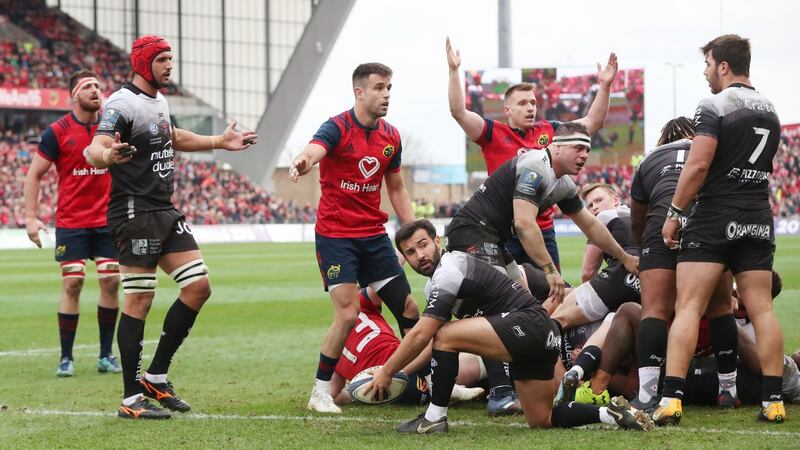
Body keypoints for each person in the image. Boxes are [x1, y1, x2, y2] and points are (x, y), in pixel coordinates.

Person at [84, 35, 257, 419]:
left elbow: (173, 137)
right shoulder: (120, 103)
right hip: (134, 212)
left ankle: (156, 377)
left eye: (170, 59)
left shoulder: (158, 101)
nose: (169, 66)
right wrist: (107, 155)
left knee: (198, 287)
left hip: (163, 209)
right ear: (143, 63)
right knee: (139, 300)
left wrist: (219, 141)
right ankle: (131, 400)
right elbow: (94, 148)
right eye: (162, 59)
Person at [364, 220, 653, 433]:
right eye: (411, 252)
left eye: (423, 245)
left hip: (527, 326)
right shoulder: (436, 285)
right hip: (538, 335)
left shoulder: (449, 270)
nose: (420, 255)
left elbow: (429, 334)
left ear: (438, 241)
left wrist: (387, 372)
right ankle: (610, 414)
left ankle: (434, 417)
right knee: (542, 419)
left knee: (443, 334)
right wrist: (398, 371)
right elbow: (435, 346)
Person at [658, 34, 785, 424]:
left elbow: (697, 165)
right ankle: (773, 401)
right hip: (757, 215)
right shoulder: (770, 109)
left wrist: (675, 211)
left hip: (714, 215)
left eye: (708, 63)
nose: (705, 71)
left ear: (723, 65)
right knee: (761, 309)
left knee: (689, 307)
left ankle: (671, 400)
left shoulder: (713, 105)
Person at [289, 62, 419, 414]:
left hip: (374, 237)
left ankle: (424, 378)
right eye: (379, 87)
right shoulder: (337, 127)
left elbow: (397, 188)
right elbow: (315, 149)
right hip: (336, 236)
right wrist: (303, 161)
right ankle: (320, 393)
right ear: (359, 92)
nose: (386, 94)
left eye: (389, 87)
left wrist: (415, 233)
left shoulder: (391, 136)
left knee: (409, 308)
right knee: (347, 314)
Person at [446, 37, 619, 270]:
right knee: (512, 294)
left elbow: (593, 121)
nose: (530, 107)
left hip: (543, 229)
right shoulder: (492, 133)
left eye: (533, 102)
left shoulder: (552, 130)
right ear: (507, 109)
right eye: (523, 103)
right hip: (506, 230)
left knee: (554, 294)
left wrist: (605, 86)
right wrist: (454, 70)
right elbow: (458, 112)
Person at [445, 122, 639, 309]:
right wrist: (550, 270)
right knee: (504, 305)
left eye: (587, 150)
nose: (584, 155)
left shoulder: (564, 184)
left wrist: (624, 257)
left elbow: (591, 225)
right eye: (578, 148)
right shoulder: (535, 167)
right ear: (556, 148)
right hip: (471, 233)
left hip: (493, 240)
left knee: (526, 306)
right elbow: (524, 224)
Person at [627, 117, 745, 412]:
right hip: (709, 226)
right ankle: (727, 390)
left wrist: (646, 250)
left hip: (658, 226)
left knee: (654, 311)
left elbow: (637, 217)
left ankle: (647, 394)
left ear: (663, 138)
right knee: (720, 308)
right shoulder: (712, 150)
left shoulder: (649, 160)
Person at [23, 69, 122, 377]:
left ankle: (106, 355)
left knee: (110, 280)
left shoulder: (112, 129)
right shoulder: (58, 131)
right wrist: (30, 218)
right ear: (75, 95)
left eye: (98, 85)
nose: (96, 90)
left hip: (106, 220)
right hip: (72, 222)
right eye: (88, 86)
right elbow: (34, 174)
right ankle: (66, 358)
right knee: (73, 282)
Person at [329, 287, 484, 406]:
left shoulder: (332, 345)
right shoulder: (361, 303)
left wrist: (360, 394)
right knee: (440, 335)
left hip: (393, 392)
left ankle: (479, 383)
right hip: (409, 365)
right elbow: (385, 284)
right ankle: (454, 384)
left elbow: (333, 394)